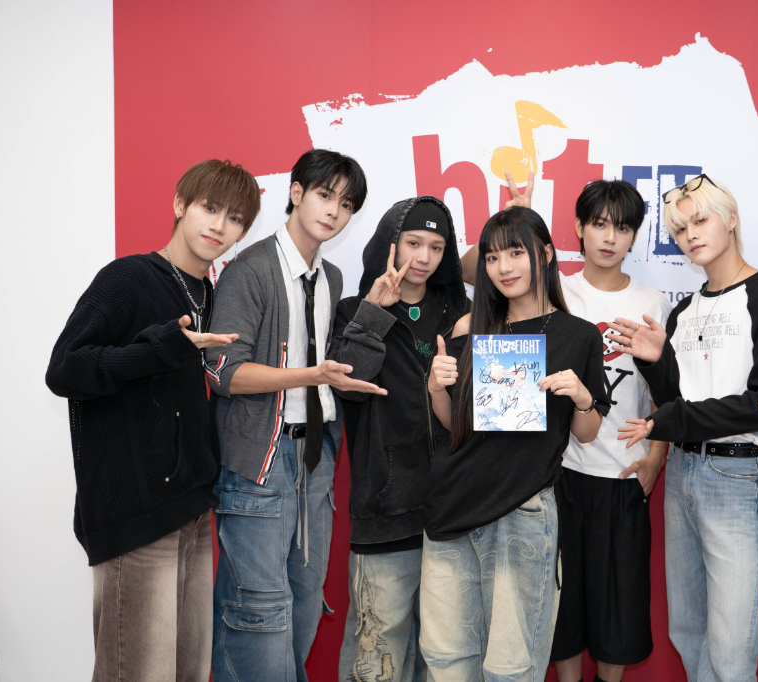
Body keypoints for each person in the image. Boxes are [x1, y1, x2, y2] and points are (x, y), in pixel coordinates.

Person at [46, 159, 260, 681]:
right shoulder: (128, 278)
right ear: (180, 205)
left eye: (235, 218)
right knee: (136, 671)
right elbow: (65, 370)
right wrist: (158, 348)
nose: (219, 226)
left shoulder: (210, 294)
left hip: (191, 509)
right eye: (210, 208)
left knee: (188, 670)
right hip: (135, 513)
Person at [607, 174, 758, 682]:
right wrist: (654, 364)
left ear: (731, 219)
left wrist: (673, 420)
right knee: (688, 630)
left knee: (731, 646)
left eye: (700, 220)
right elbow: (677, 398)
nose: (690, 235)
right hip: (683, 472)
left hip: (737, 474)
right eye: (679, 229)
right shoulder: (684, 310)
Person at [204, 149, 384, 682]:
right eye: (325, 195)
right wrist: (310, 375)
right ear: (296, 192)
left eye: (346, 204)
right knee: (257, 611)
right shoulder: (250, 269)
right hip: (261, 459)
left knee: (305, 602)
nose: (333, 211)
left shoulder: (331, 277)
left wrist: (373, 311)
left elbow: (336, 368)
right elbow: (224, 373)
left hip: (315, 459)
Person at [420, 205, 609, 682]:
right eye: (491, 257)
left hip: (522, 513)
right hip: (452, 509)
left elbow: (586, 434)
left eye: (515, 253)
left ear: (545, 254)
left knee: (511, 668)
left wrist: (583, 399)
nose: (503, 267)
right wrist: (436, 388)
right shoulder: (470, 328)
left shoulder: (579, 336)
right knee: (447, 662)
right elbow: (454, 424)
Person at [330, 196, 468, 682]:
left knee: (445, 656)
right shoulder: (353, 311)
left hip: (452, 513)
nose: (423, 257)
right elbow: (348, 385)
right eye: (413, 243)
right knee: (378, 654)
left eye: (436, 246)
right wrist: (373, 312)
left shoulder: (461, 313)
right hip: (384, 510)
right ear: (391, 244)